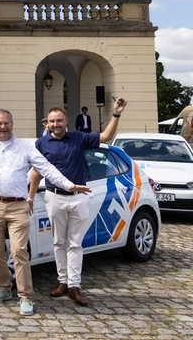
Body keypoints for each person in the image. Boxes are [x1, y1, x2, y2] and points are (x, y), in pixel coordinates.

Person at [0, 105, 91, 316]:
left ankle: (26, 297)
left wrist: (69, 185)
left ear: (12, 125)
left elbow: (47, 169)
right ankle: (4, 288)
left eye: (6, 123)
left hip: (17, 206)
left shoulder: (26, 148)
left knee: (18, 252)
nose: (2, 127)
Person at [29, 98, 128, 307]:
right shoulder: (41, 143)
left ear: (66, 121)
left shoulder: (79, 138)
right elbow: (37, 172)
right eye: (52, 121)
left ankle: (74, 286)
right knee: (58, 243)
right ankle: (62, 282)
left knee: (75, 244)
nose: (56, 124)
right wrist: (30, 196)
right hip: (54, 197)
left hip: (78, 199)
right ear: (47, 123)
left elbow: (107, 136)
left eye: (59, 121)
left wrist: (116, 113)